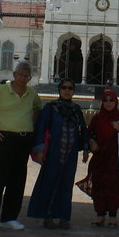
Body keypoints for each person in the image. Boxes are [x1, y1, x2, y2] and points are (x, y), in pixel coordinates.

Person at [0, 61, 42, 233]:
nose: (23, 78)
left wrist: (31, 126)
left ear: (30, 78)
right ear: (14, 74)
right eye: (20, 75)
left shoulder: (31, 93)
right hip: (4, 138)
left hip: (23, 140)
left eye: (26, 76)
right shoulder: (0, 91)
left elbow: (38, 109)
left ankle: (9, 217)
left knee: (17, 181)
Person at [27, 78, 89, 228]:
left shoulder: (76, 110)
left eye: (70, 88)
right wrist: (40, 150)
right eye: (64, 88)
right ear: (59, 90)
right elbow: (41, 128)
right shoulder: (51, 108)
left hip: (70, 153)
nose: (67, 91)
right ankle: (47, 216)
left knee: (66, 184)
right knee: (49, 182)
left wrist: (86, 148)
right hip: (54, 152)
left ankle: (63, 217)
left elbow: (83, 129)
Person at [86, 89, 119, 227]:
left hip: (114, 160)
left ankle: (113, 216)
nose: (108, 103)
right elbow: (88, 134)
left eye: (111, 100)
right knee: (99, 186)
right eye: (105, 100)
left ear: (116, 101)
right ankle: (100, 215)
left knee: (114, 188)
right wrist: (91, 143)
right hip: (100, 158)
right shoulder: (98, 118)